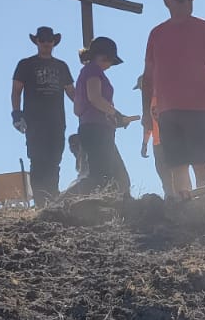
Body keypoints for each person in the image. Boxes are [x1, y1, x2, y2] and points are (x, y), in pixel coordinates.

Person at [141, 0, 205, 200]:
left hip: (200, 108)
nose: (187, 3)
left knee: (202, 163)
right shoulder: (157, 34)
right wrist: (145, 113)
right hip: (167, 112)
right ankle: (185, 212)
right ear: (167, 2)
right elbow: (148, 77)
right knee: (177, 165)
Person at [11, 26, 76, 202]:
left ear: (54, 42)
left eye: (49, 40)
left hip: (56, 121)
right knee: (38, 161)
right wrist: (16, 114)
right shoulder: (26, 64)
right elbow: (16, 90)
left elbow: (71, 92)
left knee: (54, 161)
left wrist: (84, 107)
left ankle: (52, 199)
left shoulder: (61, 66)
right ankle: (40, 202)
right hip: (34, 121)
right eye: (43, 39)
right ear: (37, 41)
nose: (46, 43)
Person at [68, 35, 137, 197]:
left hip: (95, 128)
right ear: (102, 56)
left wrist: (114, 118)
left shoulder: (87, 71)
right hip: (96, 130)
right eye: (110, 60)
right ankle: (64, 203)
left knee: (109, 175)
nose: (110, 64)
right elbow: (95, 98)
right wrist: (116, 114)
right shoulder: (93, 70)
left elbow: (79, 108)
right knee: (102, 175)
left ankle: (66, 203)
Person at [135, 73, 176, 200]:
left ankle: (176, 197)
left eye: (142, 87)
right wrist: (145, 143)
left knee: (171, 171)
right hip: (158, 142)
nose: (141, 90)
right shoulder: (154, 101)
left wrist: (144, 144)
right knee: (165, 172)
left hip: (166, 141)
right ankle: (171, 197)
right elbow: (148, 126)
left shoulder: (158, 99)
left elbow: (148, 126)